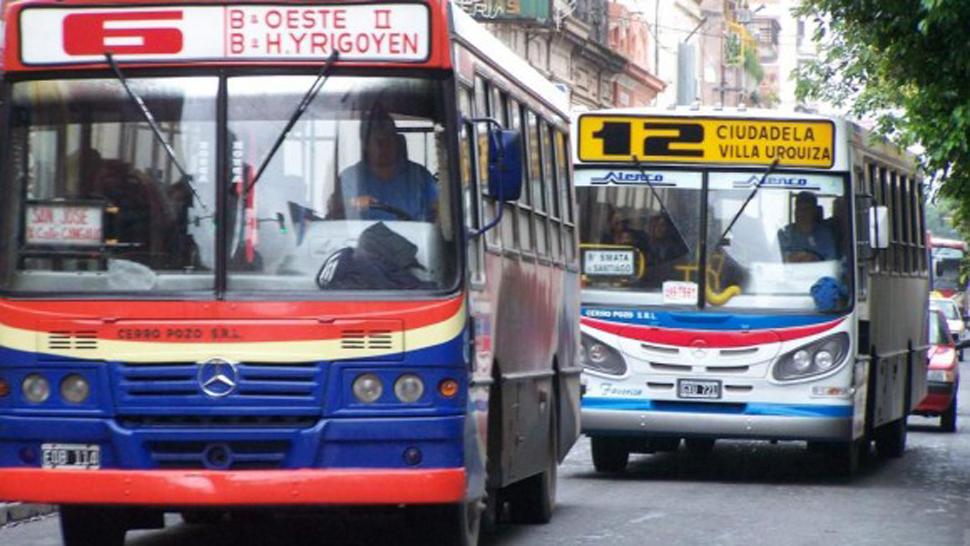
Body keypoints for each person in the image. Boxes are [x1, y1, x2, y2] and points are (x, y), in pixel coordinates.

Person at [336, 105, 438, 222]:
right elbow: (334, 214)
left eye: (389, 139)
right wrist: (352, 203)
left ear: (396, 141)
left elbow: (440, 214)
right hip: (359, 240)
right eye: (379, 141)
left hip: (414, 240)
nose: (385, 147)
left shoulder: (421, 177)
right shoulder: (348, 178)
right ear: (365, 144)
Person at [778, 191, 837, 262]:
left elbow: (832, 262)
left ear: (814, 211)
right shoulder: (784, 233)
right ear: (795, 211)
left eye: (807, 209)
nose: (802, 213)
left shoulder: (825, 234)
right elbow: (775, 259)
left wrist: (814, 258)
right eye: (799, 209)